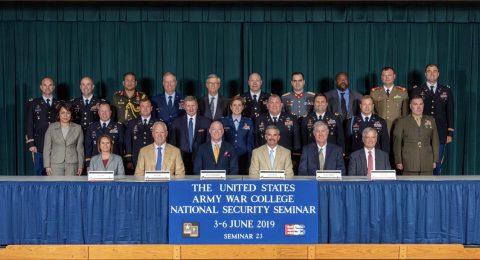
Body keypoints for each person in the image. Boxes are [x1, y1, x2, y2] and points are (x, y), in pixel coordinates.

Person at [411, 64, 454, 175]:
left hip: (441, 132)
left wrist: (450, 133)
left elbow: (450, 112)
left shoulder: (446, 90)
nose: (432, 73)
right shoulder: (417, 90)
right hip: (422, 131)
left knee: (437, 161)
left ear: (438, 74)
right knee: (422, 160)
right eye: (429, 71)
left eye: (435, 71)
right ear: (425, 74)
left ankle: (435, 184)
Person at [393, 96, 439, 175]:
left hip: (427, 161)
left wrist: (435, 160)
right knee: (410, 187)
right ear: (410, 106)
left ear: (423, 105)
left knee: (426, 186)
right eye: (415, 104)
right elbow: (397, 142)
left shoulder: (431, 120)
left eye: (421, 104)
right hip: (409, 162)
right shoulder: (402, 121)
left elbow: (435, 141)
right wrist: (398, 161)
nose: (419, 107)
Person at [25, 76, 60, 175]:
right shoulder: (33, 103)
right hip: (39, 144)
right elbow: (29, 124)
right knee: (40, 173)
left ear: (53, 87)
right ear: (41, 87)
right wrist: (31, 144)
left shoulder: (59, 103)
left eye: (50, 85)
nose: (47, 88)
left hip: (56, 144)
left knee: (55, 173)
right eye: (45, 85)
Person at [169, 96, 211, 174]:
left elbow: (208, 143)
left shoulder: (206, 122)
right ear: (184, 107)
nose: (191, 108)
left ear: (197, 106)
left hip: (201, 159)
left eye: (193, 105)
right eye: (188, 106)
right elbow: (172, 144)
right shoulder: (176, 122)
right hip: (181, 159)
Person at [43, 102, 84, 176]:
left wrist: (81, 166)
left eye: (68, 113)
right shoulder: (51, 127)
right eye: (62, 113)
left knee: (71, 186)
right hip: (55, 164)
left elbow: (80, 149)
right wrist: (47, 166)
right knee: (56, 186)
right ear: (59, 114)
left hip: (72, 164)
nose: (65, 115)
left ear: (71, 114)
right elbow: (47, 148)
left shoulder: (78, 128)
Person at [219, 96, 254, 175]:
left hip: (243, 156)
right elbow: (221, 141)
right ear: (231, 107)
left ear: (243, 107)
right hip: (227, 156)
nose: (237, 107)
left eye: (239, 105)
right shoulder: (223, 121)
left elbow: (250, 142)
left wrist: (250, 159)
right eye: (234, 105)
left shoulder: (248, 122)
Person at [124, 98, 160, 172]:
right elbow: (128, 142)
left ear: (151, 108)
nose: (145, 109)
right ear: (139, 108)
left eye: (147, 106)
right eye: (143, 107)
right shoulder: (132, 123)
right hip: (136, 158)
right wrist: (129, 159)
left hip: (154, 158)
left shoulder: (158, 123)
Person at [85, 102, 124, 168]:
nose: (104, 113)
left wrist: (120, 161)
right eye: (102, 111)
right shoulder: (91, 127)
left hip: (113, 162)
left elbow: (121, 146)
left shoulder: (119, 127)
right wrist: (88, 162)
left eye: (106, 111)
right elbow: (88, 146)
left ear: (110, 112)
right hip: (96, 162)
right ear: (98, 112)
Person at [370, 67, 409, 134]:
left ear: (394, 76)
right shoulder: (374, 92)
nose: (387, 78)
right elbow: (372, 112)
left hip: (397, 127)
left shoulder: (402, 92)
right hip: (379, 128)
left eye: (389, 75)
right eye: (384, 75)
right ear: (381, 77)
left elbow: (405, 113)